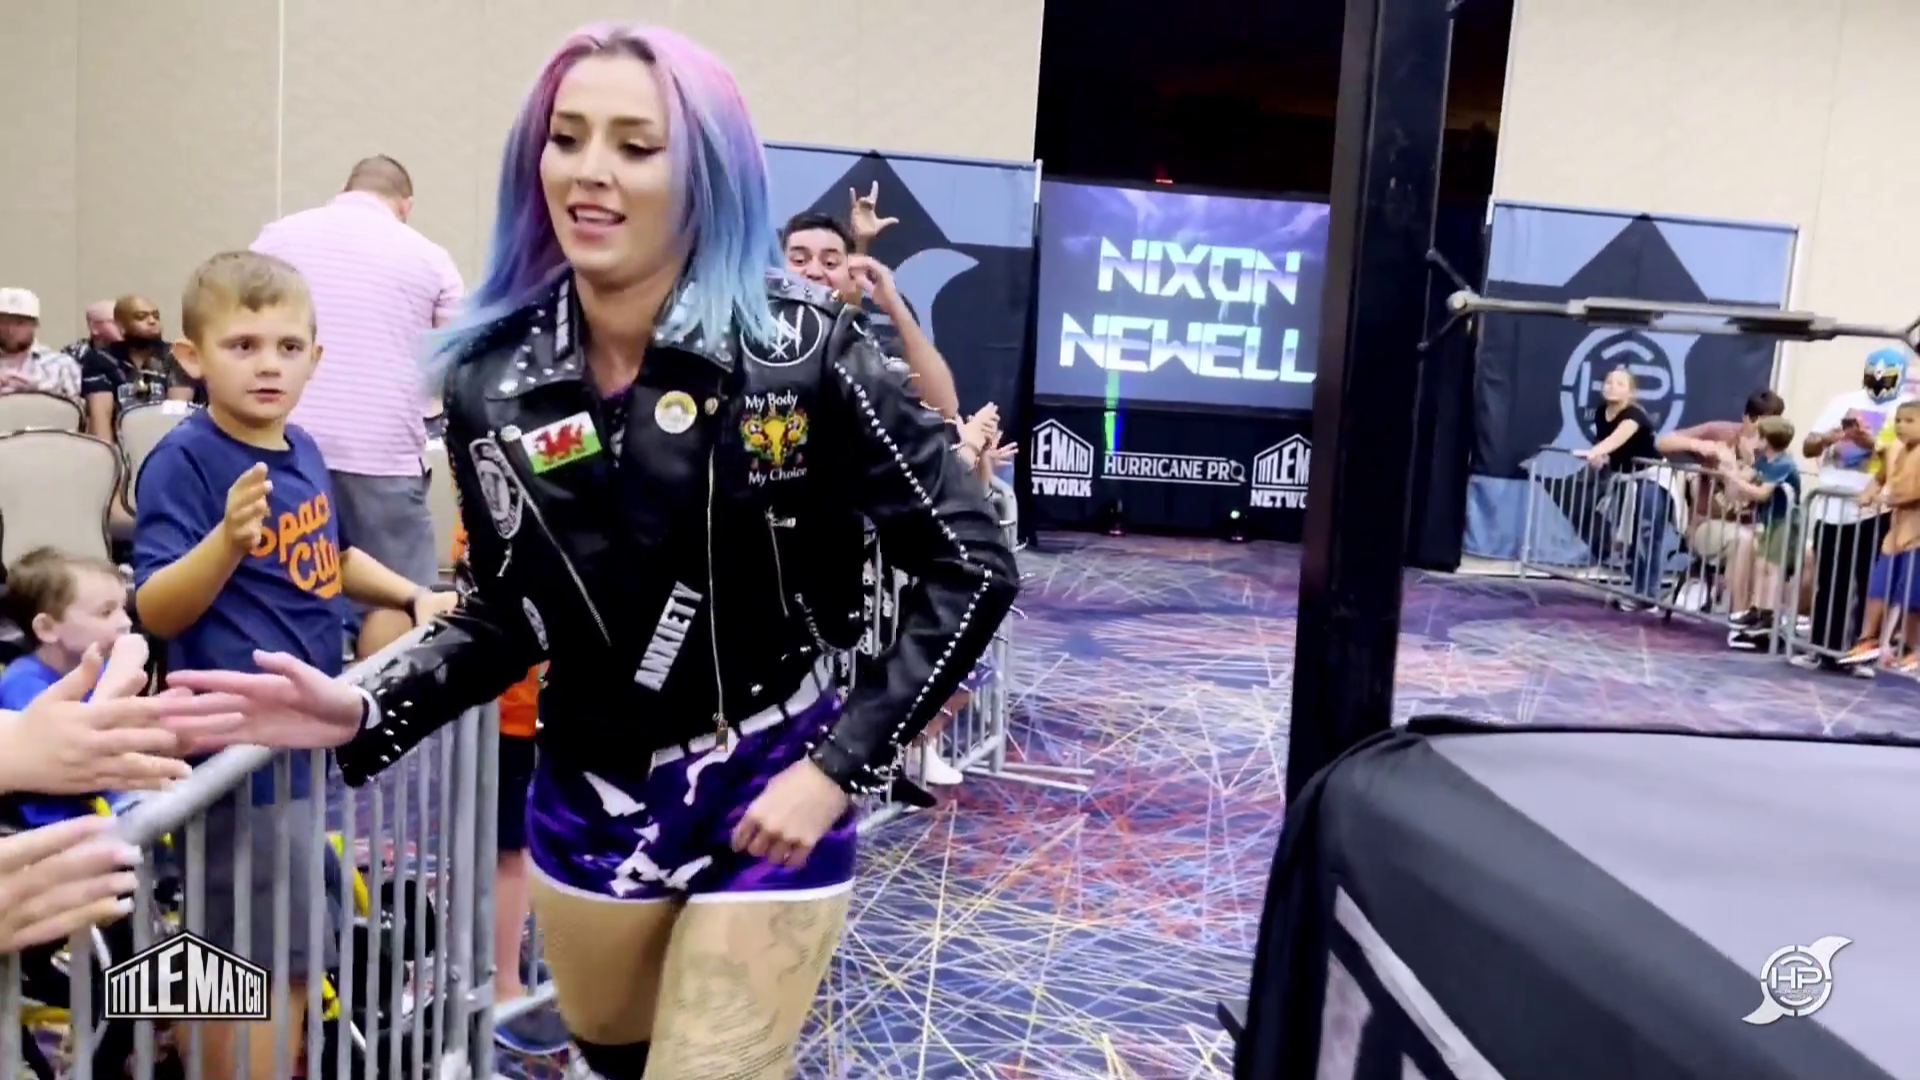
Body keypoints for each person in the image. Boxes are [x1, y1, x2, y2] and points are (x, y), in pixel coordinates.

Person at [165, 24, 1018, 1080]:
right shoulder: (490, 376)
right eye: (566, 139)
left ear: (704, 173)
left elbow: (971, 560)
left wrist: (839, 767)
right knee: (618, 1057)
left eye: (636, 145)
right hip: (586, 794)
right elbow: (509, 610)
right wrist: (369, 704)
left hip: (771, 777)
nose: (590, 171)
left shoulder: (804, 350)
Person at [130, 250, 455, 1080]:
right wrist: (224, 543)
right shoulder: (188, 460)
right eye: (242, 346)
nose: (267, 364)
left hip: (296, 749)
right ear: (193, 357)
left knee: (282, 945)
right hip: (233, 752)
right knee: (258, 958)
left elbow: (330, 557)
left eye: (286, 346)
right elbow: (156, 607)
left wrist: (413, 594)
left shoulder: (302, 446)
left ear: (316, 357)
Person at [252, 155, 466, 659]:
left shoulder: (275, 239)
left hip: (277, 445)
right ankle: (383, 712)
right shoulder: (429, 257)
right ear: (405, 204)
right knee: (399, 605)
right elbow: (456, 361)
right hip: (382, 454)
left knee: (280, 598)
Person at [449, 517, 570, 1055]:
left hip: (514, 705)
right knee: (511, 852)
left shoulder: (492, 503)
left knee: (509, 846)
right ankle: (501, 987)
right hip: (512, 710)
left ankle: (493, 962)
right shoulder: (514, 511)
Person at [781, 200, 960, 418]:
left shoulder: (867, 353)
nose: (814, 272)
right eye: (799, 260)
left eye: (830, 263)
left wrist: (893, 304)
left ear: (850, 276)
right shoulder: (751, 342)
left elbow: (944, 408)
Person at [1796, 346, 1914, 674]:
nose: (1878, 382)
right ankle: (1823, 647)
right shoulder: (1842, 402)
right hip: (1832, 505)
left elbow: (1903, 455)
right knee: (1829, 581)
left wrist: (1870, 443)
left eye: (1885, 377)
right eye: (1874, 375)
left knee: (1868, 584)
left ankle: (1860, 652)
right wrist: (1831, 437)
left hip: (1874, 510)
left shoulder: (1906, 409)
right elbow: (1808, 445)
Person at [0, 547, 137, 827]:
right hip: (50, 830)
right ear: (48, 628)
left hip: (104, 810)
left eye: (123, 608)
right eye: (106, 612)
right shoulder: (21, 684)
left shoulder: (102, 668)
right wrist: (117, 680)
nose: (126, 623)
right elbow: (78, 749)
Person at [1837, 400, 1920, 671]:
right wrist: (1868, 493)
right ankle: (1868, 639)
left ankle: (1913, 647)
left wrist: (1889, 498)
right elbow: (1881, 477)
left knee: (1912, 597)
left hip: (1917, 538)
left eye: (1910, 421)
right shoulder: (1894, 449)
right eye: (1899, 421)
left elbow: (1912, 493)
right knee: (1878, 587)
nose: (1901, 426)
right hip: (1894, 537)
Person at [1578, 366, 1670, 610]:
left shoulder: (1634, 416)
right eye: (1608, 382)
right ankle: (1638, 589)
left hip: (1652, 477)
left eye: (1620, 384)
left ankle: (1648, 596)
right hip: (1625, 478)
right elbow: (1609, 447)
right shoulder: (1601, 413)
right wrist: (1601, 458)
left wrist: (1595, 452)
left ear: (1631, 392)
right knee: (1625, 538)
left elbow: (1616, 439)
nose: (1612, 387)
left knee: (1647, 534)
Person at [1713, 417, 1802, 648]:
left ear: (1767, 440)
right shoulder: (1763, 461)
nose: (1753, 439)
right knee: (1761, 565)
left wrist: (1733, 477)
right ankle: (1758, 609)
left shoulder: (1783, 464)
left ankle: (1769, 614)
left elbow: (1762, 494)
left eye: (1757, 436)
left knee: (1773, 568)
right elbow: (1742, 481)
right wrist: (1732, 466)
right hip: (1768, 520)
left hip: (1784, 521)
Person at [0, 287, 82, 399]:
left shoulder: (61, 365)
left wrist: (34, 388)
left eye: (20, 323)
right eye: (4, 322)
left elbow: (75, 407)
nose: (11, 330)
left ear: (35, 324)